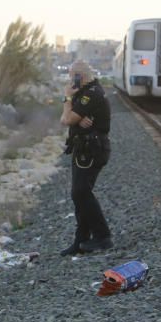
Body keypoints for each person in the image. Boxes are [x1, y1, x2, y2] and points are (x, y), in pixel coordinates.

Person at [59, 60, 113, 256]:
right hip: (83, 148)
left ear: (80, 76)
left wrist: (66, 98)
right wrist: (74, 113)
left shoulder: (91, 93)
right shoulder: (83, 93)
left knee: (81, 192)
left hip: (92, 150)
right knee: (79, 193)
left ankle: (102, 236)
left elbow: (66, 119)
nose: (70, 78)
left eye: (72, 75)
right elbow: (66, 119)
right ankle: (81, 239)